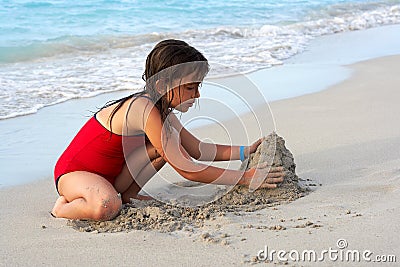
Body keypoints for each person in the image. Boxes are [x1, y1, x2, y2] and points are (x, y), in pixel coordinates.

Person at [51, 39, 284, 221]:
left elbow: (197, 149)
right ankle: (62, 209)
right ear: (163, 85)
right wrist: (244, 178)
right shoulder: (142, 107)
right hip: (76, 174)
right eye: (191, 87)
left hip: (115, 178)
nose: (198, 95)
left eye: (198, 87)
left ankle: (129, 194)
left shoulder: (163, 110)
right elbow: (187, 169)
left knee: (168, 145)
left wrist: (245, 151)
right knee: (107, 206)